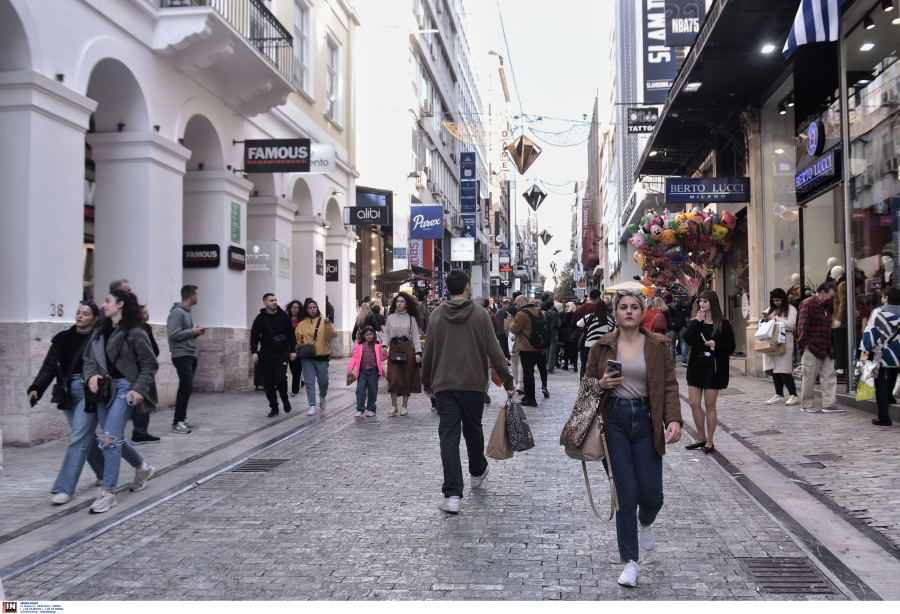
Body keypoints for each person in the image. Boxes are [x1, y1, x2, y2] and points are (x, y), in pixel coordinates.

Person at [585, 290, 682, 588]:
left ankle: (646, 521)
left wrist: (674, 419)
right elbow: (585, 387)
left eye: (634, 308)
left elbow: (668, 385)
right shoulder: (601, 347)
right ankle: (630, 560)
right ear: (615, 313)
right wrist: (601, 383)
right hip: (613, 421)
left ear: (643, 313)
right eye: (623, 307)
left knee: (652, 495)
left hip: (646, 420)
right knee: (625, 494)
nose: (629, 312)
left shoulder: (657, 346)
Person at [421, 268, 515, 514]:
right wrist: (507, 381)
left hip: (444, 384)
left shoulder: (437, 315)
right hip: (473, 383)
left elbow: (428, 351)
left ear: (447, 289)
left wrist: (426, 381)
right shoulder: (480, 314)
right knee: (473, 429)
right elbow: (494, 351)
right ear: (466, 288)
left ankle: (452, 495)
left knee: (448, 436)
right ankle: (476, 472)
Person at [27, 301, 111, 504]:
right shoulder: (63, 339)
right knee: (84, 437)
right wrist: (37, 387)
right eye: (78, 312)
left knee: (78, 437)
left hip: (89, 391)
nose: (80, 316)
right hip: (67, 392)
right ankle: (108, 471)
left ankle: (65, 488)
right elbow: (49, 366)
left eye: (85, 313)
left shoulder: (99, 339)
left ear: (94, 318)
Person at [83, 290, 158, 513]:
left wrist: (138, 389)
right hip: (106, 390)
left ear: (121, 304)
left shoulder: (135, 332)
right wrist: (91, 376)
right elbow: (88, 360)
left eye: (108, 301)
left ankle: (107, 494)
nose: (104, 305)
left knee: (110, 438)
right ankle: (143, 468)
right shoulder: (99, 331)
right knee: (113, 436)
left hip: (126, 389)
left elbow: (149, 365)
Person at [683, 291, 736, 454]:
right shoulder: (696, 321)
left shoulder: (723, 323)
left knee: (710, 404)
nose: (702, 304)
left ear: (712, 302)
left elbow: (731, 346)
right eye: (700, 301)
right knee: (693, 403)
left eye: (705, 301)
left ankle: (710, 441)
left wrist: (716, 345)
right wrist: (697, 321)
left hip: (713, 368)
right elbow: (687, 339)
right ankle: (701, 437)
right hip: (696, 367)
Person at [796, 282, 842, 413]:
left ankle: (829, 404)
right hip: (812, 347)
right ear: (823, 293)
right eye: (831, 296)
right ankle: (807, 404)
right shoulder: (808, 304)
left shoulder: (824, 307)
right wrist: (806, 345)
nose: (832, 300)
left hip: (825, 348)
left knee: (829, 375)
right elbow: (802, 327)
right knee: (809, 377)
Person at [250, 293, 297, 417]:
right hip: (266, 353)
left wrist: (293, 350)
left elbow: (291, 334)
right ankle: (274, 407)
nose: (275, 302)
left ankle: (285, 400)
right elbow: (254, 336)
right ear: (265, 303)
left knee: (281, 378)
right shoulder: (260, 318)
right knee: (268, 382)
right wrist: (254, 351)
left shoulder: (284, 317)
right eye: (271, 300)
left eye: (275, 300)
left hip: (281, 352)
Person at [166, 285, 205, 434]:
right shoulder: (177, 312)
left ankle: (182, 419)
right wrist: (191, 331)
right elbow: (173, 334)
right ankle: (177, 422)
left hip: (189, 353)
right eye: (196, 294)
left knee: (187, 387)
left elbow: (183, 333)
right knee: (186, 387)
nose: (197, 297)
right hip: (181, 354)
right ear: (192, 296)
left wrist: (195, 333)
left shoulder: (187, 313)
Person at [860, 286, 900, 426]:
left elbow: (871, 333)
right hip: (898, 352)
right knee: (893, 372)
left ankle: (884, 417)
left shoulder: (878, 312)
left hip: (883, 352)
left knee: (880, 382)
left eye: (883, 296)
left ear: (886, 298)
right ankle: (890, 397)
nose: (882, 299)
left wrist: (866, 353)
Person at [295, 298, 338, 416]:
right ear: (306, 310)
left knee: (323, 381)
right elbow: (298, 339)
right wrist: (296, 351)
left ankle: (323, 396)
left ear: (317, 308)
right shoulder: (302, 324)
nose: (312, 310)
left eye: (314, 307)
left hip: (322, 355)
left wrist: (328, 324)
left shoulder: (323, 321)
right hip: (307, 356)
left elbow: (332, 335)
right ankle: (312, 405)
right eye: (310, 308)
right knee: (309, 381)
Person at [384, 292, 423, 416]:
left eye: (402, 301)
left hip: (408, 349)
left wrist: (418, 352)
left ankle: (404, 407)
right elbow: (386, 334)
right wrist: (384, 346)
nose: (399, 303)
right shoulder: (390, 318)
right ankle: (393, 406)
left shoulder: (411, 318)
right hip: (394, 349)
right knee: (393, 377)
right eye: (398, 301)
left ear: (406, 304)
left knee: (406, 377)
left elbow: (416, 336)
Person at [761, 289, 800, 406]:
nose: (776, 303)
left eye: (778, 300)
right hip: (771, 342)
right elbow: (761, 324)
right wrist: (764, 320)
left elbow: (792, 325)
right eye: (774, 301)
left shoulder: (791, 309)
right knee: (774, 371)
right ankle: (779, 394)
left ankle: (793, 395)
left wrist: (776, 319)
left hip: (783, 343)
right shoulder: (770, 309)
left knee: (784, 370)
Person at [508, 296, 548, 407]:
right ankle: (529, 395)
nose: (515, 306)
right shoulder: (540, 312)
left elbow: (514, 329)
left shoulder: (522, 314)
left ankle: (531, 398)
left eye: (516, 304)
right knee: (536, 371)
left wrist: (510, 320)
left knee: (528, 373)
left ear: (521, 303)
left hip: (527, 347)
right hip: (539, 347)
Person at [131, 306, 161, 443]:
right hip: (139, 371)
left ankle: (140, 431)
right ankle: (140, 432)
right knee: (141, 401)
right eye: (144, 313)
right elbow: (152, 351)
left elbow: (154, 350)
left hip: (141, 370)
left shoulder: (145, 328)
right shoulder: (140, 330)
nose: (147, 314)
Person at [347, 326, 386, 417]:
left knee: (372, 391)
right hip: (362, 372)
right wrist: (350, 368)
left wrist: (385, 353)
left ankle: (371, 409)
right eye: (367, 334)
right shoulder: (359, 346)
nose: (369, 336)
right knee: (360, 390)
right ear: (363, 335)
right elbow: (354, 358)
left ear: (374, 335)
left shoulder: (377, 345)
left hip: (373, 372)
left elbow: (382, 357)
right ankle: (360, 408)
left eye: (371, 334)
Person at [577, 299, 616, 379]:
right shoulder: (608, 320)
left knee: (585, 365)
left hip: (588, 345)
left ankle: (583, 383)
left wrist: (587, 327)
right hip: (602, 346)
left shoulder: (589, 317)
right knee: (600, 366)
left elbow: (578, 324)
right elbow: (614, 332)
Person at [285, 300, 306, 397]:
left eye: (297, 307)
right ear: (290, 308)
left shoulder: (302, 320)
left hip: (299, 347)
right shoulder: (286, 319)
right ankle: (300, 383)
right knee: (292, 369)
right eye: (293, 307)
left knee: (297, 369)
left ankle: (295, 390)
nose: (295, 309)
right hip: (288, 347)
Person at [543, 300, 561, 374]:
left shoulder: (544, 314)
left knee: (547, 351)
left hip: (546, 334)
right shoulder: (555, 314)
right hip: (554, 334)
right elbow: (558, 324)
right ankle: (550, 369)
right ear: (552, 306)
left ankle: (547, 365)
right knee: (552, 352)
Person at [561, 302, 579, 371]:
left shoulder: (567, 314)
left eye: (567, 307)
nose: (566, 308)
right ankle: (575, 366)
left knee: (566, 350)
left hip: (567, 335)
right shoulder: (576, 314)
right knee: (574, 351)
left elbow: (564, 322)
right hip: (574, 334)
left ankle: (566, 365)